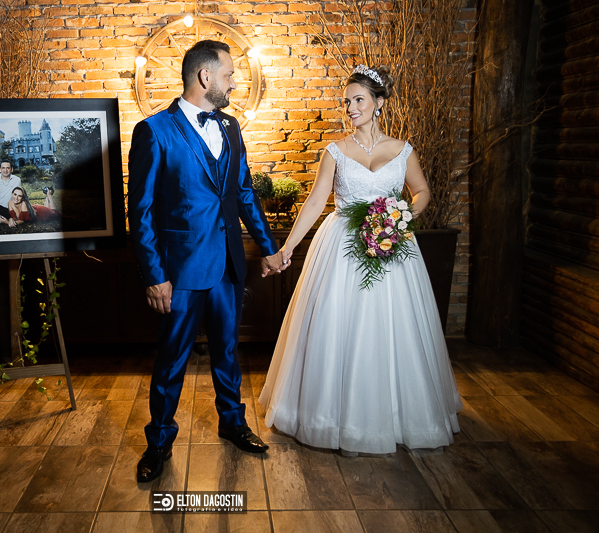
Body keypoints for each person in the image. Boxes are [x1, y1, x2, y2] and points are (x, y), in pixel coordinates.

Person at [258, 65, 462, 456]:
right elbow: (315, 202)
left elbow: (421, 192)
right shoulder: (335, 151)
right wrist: (287, 249)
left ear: (378, 102)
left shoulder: (403, 150)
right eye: (347, 101)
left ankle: (398, 417)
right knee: (337, 328)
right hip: (342, 248)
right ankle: (334, 420)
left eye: (358, 100)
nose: (350, 108)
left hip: (391, 245)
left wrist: (400, 217)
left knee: (394, 329)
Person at [128, 40, 287, 483]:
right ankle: (159, 442)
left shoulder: (231, 127)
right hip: (178, 272)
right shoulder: (153, 131)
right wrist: (154, 275)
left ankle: (232, 424)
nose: (234, 82)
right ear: (205, 77)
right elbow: (140, 211)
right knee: (171, 359)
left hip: (228, 265)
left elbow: (244, 192)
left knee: (228, 352)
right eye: (229, 75)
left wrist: (268, 247)